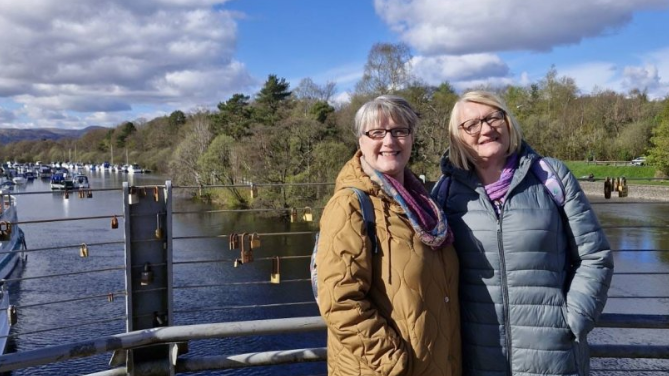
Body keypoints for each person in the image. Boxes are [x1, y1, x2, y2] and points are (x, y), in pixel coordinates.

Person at [437, 90, 613, 376]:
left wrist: (573, 320)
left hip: (553, 356)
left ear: (508, 122)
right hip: (476, 356)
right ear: (457, 136)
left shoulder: (551, 177)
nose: (486, 128)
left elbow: (594, 255)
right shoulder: (446, 193)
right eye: (471, 124)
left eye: (494, 117)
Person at [316, 95, 461, 376]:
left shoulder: (424, 204)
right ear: (360, 141)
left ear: (411, 139)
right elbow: (339, 301)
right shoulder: (350, 205)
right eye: (377, 132)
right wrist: (392, 361)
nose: (389, 141)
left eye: (399, 131)